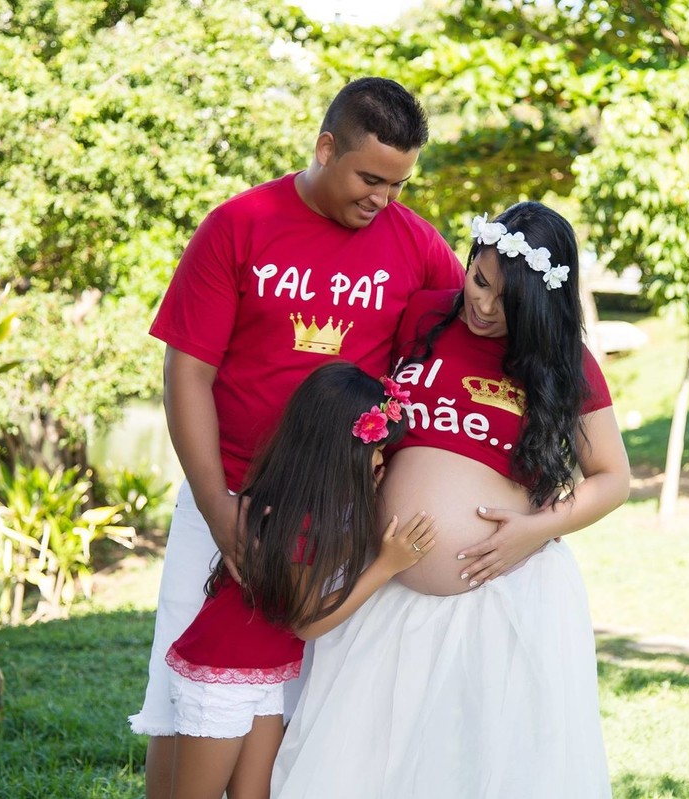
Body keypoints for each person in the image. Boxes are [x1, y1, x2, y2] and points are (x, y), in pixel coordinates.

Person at [129, 76, 463, 797]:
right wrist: (219, 511)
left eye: (399, 184)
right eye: (370, 178)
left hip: (335, 521)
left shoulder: (417, 245)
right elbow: (187, 375)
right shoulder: (239, 225)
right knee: (182, 697)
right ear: (325, 148)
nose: (383, 199)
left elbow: (467, 338)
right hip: (228, 497)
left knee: (294, 710)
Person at [272, 202, 632, 798]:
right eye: (480, 281)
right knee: (360, 769)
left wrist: (535, 528)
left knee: (481, 770)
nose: (484, 306)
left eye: (507, 302)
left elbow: (613, 478)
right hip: (383, 588)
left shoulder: (565, 363)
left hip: (502, 597)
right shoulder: (423, 316)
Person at [164, 362, 436, 799]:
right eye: (377, 449)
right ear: (342, 449)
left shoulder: (317, 503)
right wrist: (387, 566)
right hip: (220, 676)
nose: (381, 459)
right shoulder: (301, 519)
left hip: (263, 674)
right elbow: (307, 623)